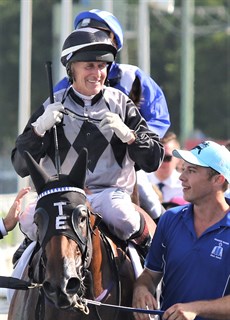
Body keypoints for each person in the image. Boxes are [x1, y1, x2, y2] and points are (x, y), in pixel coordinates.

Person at [11, 28, 164, 258]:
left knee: (122, 215)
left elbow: (153, 160)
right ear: (72, 68)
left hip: (109, 194)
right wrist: (38, 130)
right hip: (62, 195)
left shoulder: (121, 103)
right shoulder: (52, 104)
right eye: (89, 66)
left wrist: (130, 136)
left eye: (102, 66)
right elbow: (21, 165)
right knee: (29, 220)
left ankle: (152, 262)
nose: (97, 73)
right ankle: (19, 273)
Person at [54, 8, 170, 223]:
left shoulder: (133, 77)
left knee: (152, 205)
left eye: (98, 32)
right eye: (85, 32)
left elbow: (158, 118)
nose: (91, 37)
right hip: (77, 173)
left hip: (125, 167)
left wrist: (131, 142)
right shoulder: (65, 84)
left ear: (114, 42)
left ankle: (162, 245)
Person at [132, 140, 230, 320]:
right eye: (183, 169)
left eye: (191, 171)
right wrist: (141, 289)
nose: (181, 177)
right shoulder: (169, 221)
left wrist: (196, 308)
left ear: (218, 179)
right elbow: (150, 275)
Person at [147, 131, 185, 205]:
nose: (160, 162)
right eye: (157, 156)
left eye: (166, 158)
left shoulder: (185, 186)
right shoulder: (142, 181)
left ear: (177, 159)